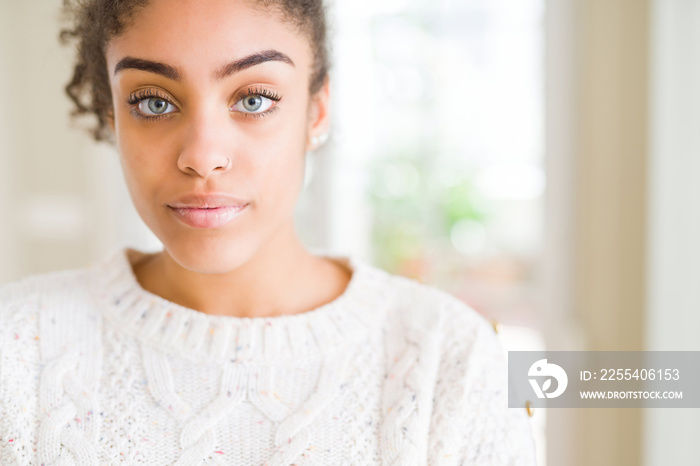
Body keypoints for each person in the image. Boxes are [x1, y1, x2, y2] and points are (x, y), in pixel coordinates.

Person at [0, 0, 536, 464]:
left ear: (316, 111)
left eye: (253, 99)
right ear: (114, 118)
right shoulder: (17, 349)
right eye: (154, 102)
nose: (202, 157)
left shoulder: (453, 362)